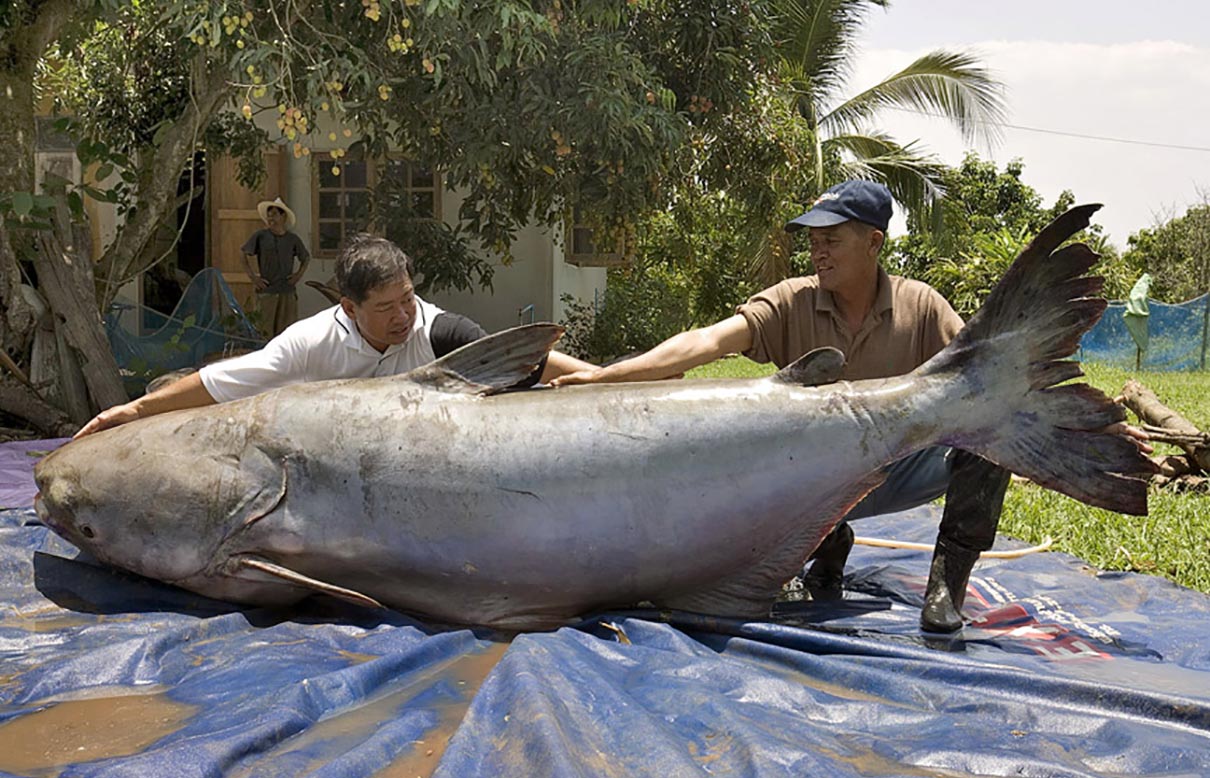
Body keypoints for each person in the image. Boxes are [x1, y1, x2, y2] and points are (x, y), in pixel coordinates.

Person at [552, 180, 1028, 632]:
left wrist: (1079, 422)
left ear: (874, 242)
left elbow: (982, 379)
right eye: (813, 240)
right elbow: (708, 341)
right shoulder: (791, 301)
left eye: (832, 240)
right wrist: (603, 376)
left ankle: (946, 586)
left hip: (894, 469)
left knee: (986, 431)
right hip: (805, 483)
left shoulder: (921, 306)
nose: (817, 251)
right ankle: (827, 536)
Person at [77, 233, 596, 439]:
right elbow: (219, 383)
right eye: (386, 307)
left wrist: (606, 379)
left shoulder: (439, 331)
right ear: (348, 307)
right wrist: (136, 412)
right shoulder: (307, 345)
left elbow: (526, 361)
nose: (403, 315)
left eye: (408, 299)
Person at [243, 197, 311, 337]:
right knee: (264, 331)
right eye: (269, 215)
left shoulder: (292, 239)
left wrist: (298, 275)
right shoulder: (260, 236)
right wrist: (254, 277)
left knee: (287, 332)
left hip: (287, 291)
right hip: (268, 291)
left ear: (283, 216)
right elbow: (243, 254)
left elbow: (305, 258)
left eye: (274, 214)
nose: (270, 218)